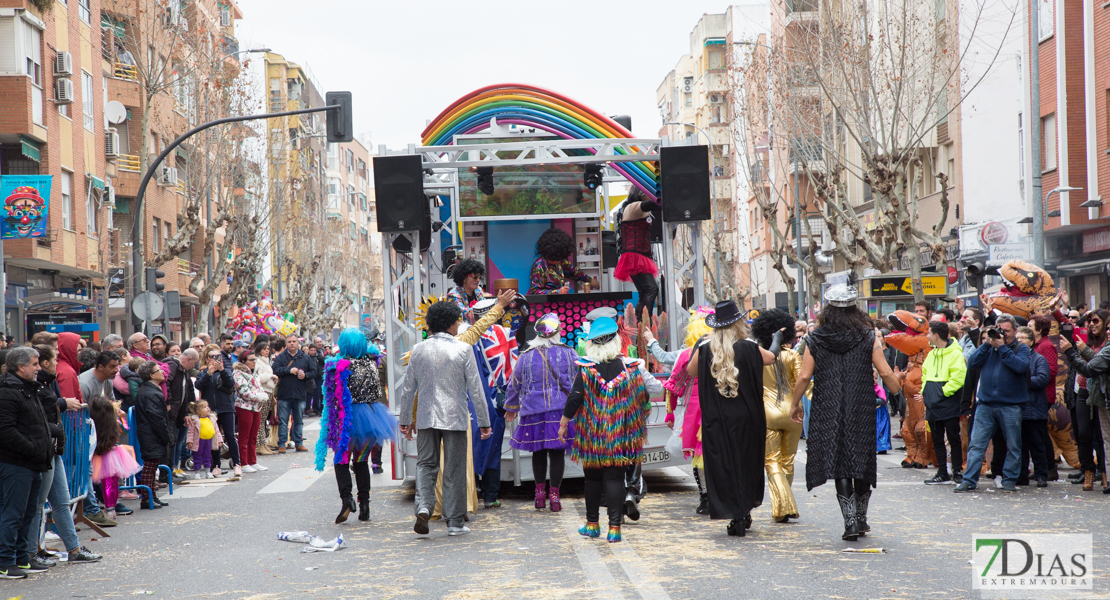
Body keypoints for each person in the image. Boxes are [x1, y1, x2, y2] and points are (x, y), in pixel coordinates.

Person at [790, 279, 902, 541]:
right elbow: (885, 371)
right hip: (860, 404)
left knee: (840, 462)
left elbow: (805, 376)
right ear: (855, 309)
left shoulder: (815, 338)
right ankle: (862, 518)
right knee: (861, 459)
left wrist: (795, 404)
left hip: (827, 405)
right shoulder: (867, 336)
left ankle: (850, 522)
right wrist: (899, 392)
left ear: (828, 310)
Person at [397, 301, 491, 537]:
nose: (459, 323)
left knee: (426, 465)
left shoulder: (418, 349)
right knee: (454, 468)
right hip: (455, 418)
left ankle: (425, 507)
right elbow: (476, 390)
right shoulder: (463, 349)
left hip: (427, 418)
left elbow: (408, 389)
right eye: (457, 320)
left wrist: (406, 419)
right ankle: (455, 522)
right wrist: (484, 422)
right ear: (450, 322)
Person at [686, 302, 778, 536]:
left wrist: (702, 346)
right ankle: (743, 510)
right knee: (746, 463)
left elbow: (690, 371)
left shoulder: (706, 348)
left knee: (723, 465)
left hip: (717, 420)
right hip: (747, 418)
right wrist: (776, 340)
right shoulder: (749, 347)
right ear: (739, 323)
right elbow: (771, 358)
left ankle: (734, 512)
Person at [559, 316, 653, 543]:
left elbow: (574, 399)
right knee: (614, 479)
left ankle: (592, 525)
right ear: (616, 341)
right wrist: (644, 411)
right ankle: (615, 529)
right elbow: (643, 397)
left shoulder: (586, 369)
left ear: (592, 344)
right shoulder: (630, 368)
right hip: (621, 434)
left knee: (592, 480)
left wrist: (563, 424)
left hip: (592, 434)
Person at [27, 345, 102, 566]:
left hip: (54, 448)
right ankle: (32, 551)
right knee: (39, 504)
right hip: (44, 447)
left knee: (61, 500)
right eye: (55, 358)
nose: (39, 367)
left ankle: (74, 548)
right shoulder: (33, 386)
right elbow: (40, 414)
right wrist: (61, 407)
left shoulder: (46, 383)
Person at [315, 328, 397, 523]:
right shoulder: (371, 364)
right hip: (372, 415)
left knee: (341, 460)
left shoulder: (337, 366)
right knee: (361, 462)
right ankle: (365, 505)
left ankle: (347, 500)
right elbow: (377, 390)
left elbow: (332, 397)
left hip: (347, 418)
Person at [505, 313, 578, 512]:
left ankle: (539, 496)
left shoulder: (526, 355)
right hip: (559, 411)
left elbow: (515, 383)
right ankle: (555, 496)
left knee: (538, 451)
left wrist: (511, 408)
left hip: (532, 412)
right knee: (557, 453)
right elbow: (578, 380)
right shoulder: (568, 352)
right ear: (556, 332)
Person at [955, 314, 1032, 493]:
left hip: (1011, 405)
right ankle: (969, 480)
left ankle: (1009, 480)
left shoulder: (1021, 348)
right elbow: (972, 363)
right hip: (986, 404)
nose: (1002, 334)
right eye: (1000, 330)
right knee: (977, 444)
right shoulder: (988, 348)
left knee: (1013, 444)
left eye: (1006, 331)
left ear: (1014, 331)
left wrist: (1002, 348)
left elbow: (1020, 367)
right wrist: (986, 344)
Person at [0, 347, 53, 578]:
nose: (39, 368)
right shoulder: (8, 392)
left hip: (33, 463)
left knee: (28, 513)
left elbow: (34, 423)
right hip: (17, 463)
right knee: (13, 513)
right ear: (21, 367)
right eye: (34, 364)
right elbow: (6, 431)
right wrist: (31, 449)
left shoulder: (29, 389)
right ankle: (5, 561)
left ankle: (22, 558)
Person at [750, 309, 804, 523]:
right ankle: (782, 506)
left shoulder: (757, 355)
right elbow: (803, 381)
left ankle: (784, 505)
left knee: (771, 461)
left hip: (767, 413)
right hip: (792, 412)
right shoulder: (792, 355)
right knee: (788, 461)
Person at [661, 307, 714, 514]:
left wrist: (670, 412)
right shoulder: (725, 349)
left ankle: (705, 496)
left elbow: (673, 385)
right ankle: (717, 493)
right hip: (719, 406)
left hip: (694, 410)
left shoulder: (686, 354)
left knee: (696, 454)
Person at [1060, 311, 1110, 492]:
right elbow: (1066, 324)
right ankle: (1088, 471)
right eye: (1089, 321)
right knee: (1083, 435)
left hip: (1100, 394)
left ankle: (1105, 474)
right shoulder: (1083, 338)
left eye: (1096, 321)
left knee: (1103, 436)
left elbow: (1093, 366)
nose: (1091, 324)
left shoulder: (1106, 345)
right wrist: (1054, 309)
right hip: (1082, 391)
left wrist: (1077, 351)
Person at [918, 320, 967, 485]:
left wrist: (942, 392)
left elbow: (959, 377)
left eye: (929, 332)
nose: (927, 336)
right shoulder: (932, 353)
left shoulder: (955, 354)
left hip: (948, 401)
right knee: (937, 439)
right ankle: (942, 472)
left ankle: (957, 471)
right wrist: (926, 391)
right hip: (933, 402)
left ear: (936, 335)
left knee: (953, 438)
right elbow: (924, 373)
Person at [88, 394, 141, 520]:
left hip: (95, 455)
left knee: (92, 482)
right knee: (111, 483)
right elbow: (126, 430)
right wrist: (122, 418)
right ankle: (110, 509)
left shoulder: (90, 423)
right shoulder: (115, 422)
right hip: (112, 454)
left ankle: (92, 507)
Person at [612, 187, 661, 317]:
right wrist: (663, 198)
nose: (649, 196)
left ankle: (641, 324)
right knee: (652, 289)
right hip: (635, 255)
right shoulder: (633, 207)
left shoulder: (633, 209)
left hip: (637, 254)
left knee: (645, 291)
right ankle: (645, 323)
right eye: (647, 194)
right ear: (640, 195)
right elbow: (651, 204)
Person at [1016, 327, 1052, 487]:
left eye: (1024, 337)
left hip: (1034, 408)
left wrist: (1021, 382)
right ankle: (1022, 475)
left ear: (1031, 341)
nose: (1020, 340)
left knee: (1037, 445)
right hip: (1017, 409)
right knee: (1019, 445)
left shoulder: (1039, 359)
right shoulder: (1014, 358)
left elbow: (1043, 379)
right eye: (1018, 337)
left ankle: (1041, 475)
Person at [195, 343, 237, 476]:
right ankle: (216, 465)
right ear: (207, 359)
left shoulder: (226, 370)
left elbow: (230, 384)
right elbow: (199, 385)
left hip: (226, 407)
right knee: (214, 438)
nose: (214, 359)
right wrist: (208, 373)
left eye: (217, 356)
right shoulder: (203, 373)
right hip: (210, 410)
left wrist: (223, 370)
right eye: (211, 356)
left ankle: (237, 464)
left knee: (230, 436)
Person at [133, 361, 170, 508]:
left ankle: (151, 496)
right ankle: (146, 498)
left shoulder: (152, 390)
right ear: (151, 375)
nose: (162, 371)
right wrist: (165, 435)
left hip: (150, 433)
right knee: (150, 466)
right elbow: (156, 417)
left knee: (153, 465)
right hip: (150, 433)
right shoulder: (149, 392)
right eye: (158, 370)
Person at [271, 335, 317, 454]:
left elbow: (313, 372)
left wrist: (305, 375)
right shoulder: (281, 357)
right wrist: (288, 371)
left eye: (294, 341)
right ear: (286, 344)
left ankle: (298, 443)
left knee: (299, 420)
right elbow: (275, 370)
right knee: (283, 420)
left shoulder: (305, 357)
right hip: (284, 393)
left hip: (300, 393)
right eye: (289, 342)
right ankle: (282, 443)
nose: (292, 343)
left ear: (298, 343)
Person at [528, 227, 597, 295]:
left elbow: (573, 271)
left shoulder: (560, 261)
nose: (560, 261)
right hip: (548, 304)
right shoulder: (539, 266)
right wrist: (557, 292)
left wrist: (590, 280)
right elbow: (535, 292)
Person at [232, 352, 268, 474]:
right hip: (244, 407)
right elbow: (244, 392)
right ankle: (243, 463)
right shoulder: (239, 373)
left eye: (255, 359)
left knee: (253, 436)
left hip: (256, 407)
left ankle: (253, 461)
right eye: (251, 360)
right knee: (244, 437)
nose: (254, 362)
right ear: (244, 361)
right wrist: (261, 397)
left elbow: (260, 388)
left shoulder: (255, 372)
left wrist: (263, 395)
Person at [165, 348, 198, 476]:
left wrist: (187, 412)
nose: (193, 366)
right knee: (172, 441)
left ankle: (175, 467)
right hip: (171, 411)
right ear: (189, 359)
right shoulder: (173, 365)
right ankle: (170, 469)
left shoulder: (184, 370)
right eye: (194, 363)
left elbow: (188, 392)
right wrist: (167, 402)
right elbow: (166, 383)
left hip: (179, 411)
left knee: (178, 441)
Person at [185, 400, 222, 480]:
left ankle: (208, 472)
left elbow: (217, 430)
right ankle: (197, 472)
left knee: (208, 456)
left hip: (208, 441)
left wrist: (219, 440)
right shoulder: (195, 420)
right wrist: (189, 441)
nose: (207, 408)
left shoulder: (212, 419)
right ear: (198, 411)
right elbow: (190, 432)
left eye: (207, 406)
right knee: (197, 456)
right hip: (198, 441)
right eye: (204, 407)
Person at [253, 341, 278, 456]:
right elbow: (257, 377)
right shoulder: (258, 362)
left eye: (268, 349)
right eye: (264, 349)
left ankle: (263, 444)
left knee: (263, 420)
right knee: (260, 420)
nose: (266, 351)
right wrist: (270, 376)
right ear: (259, 351)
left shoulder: (267, 362)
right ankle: (259, 445)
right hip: (262, 392)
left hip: (269, 391)